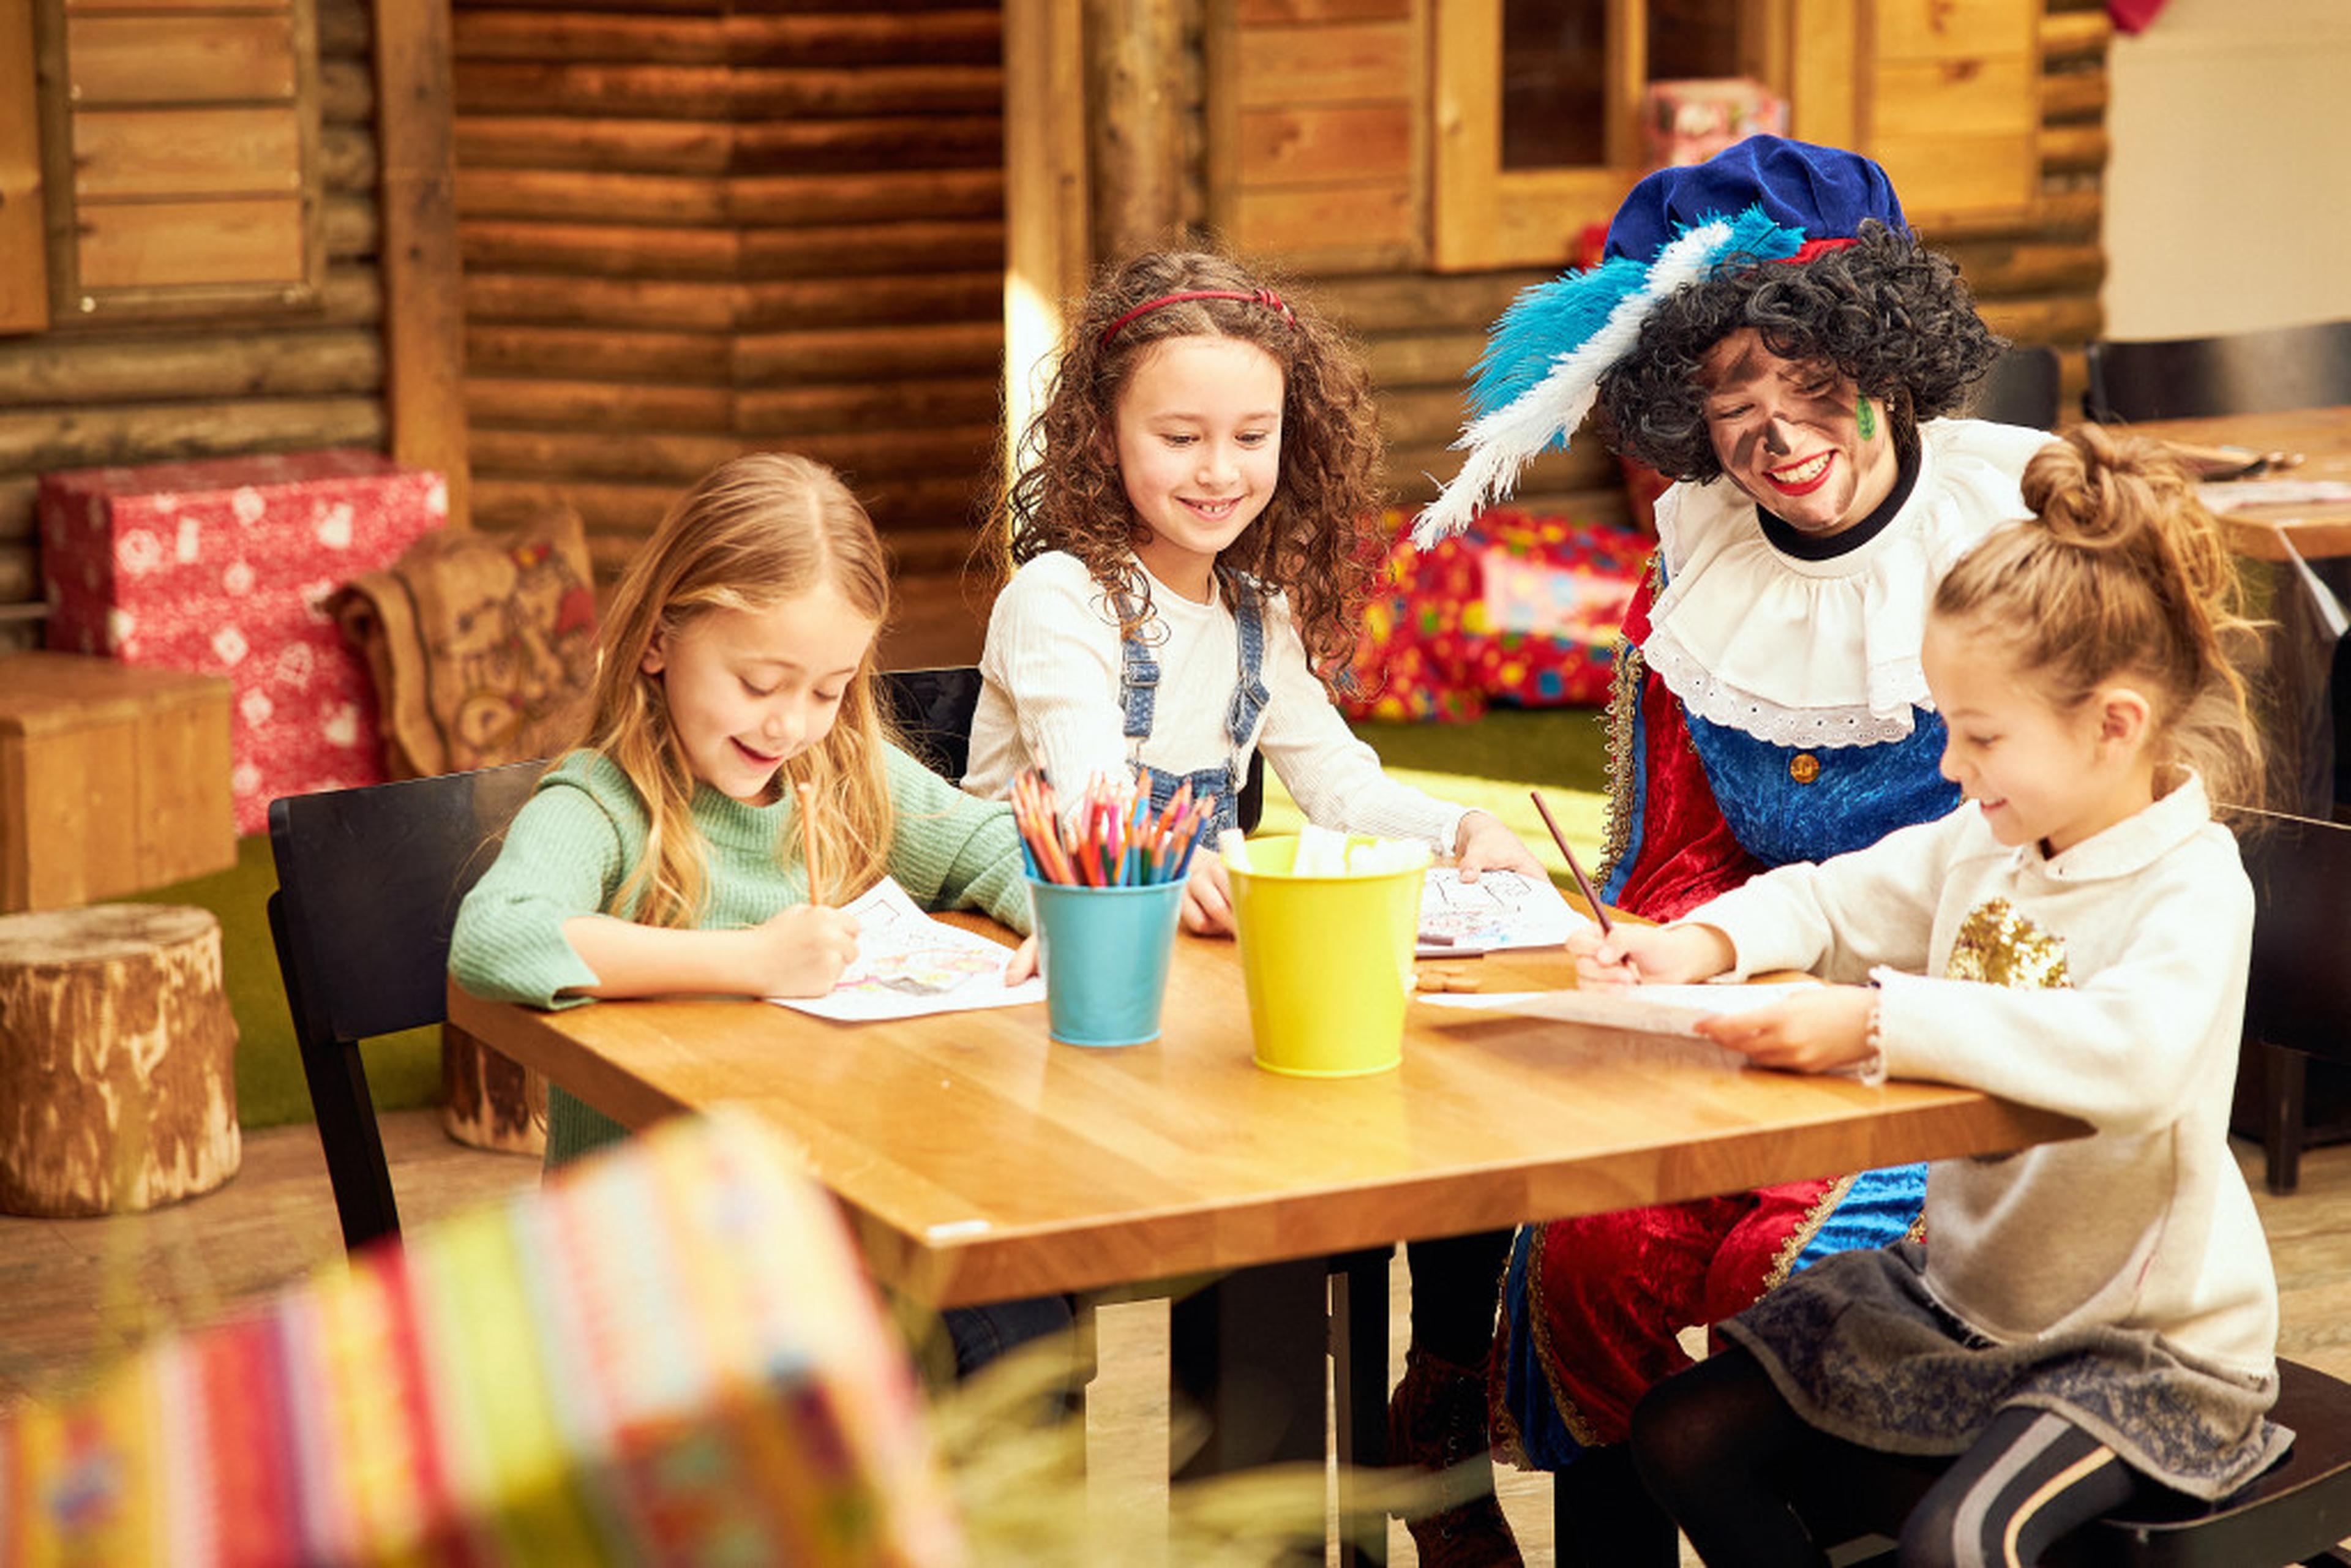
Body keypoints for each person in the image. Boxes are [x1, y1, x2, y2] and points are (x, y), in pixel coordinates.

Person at [1413, 135, 2055, 1565]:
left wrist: (1864, 1008)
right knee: (1590, 1245)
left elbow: (2061, 879)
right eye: (1731, 397)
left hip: (1980, 1034)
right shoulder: (1699, 559)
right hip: (1755, 1002)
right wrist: (1651, 950)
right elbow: (1682, 854)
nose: (1775, 430)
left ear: (1886, 357)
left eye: (1810, 379)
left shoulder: (2017, 528)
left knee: (1790, 1270)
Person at [1607, 425, 2284, 1566]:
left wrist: (1875, 1020)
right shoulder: (1986, 838)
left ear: (2115, 725)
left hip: (2144, 1349)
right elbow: (1830, 900)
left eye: (1980, 736)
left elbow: (2135, 1056)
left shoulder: (2190, 883)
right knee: (1682, 1434)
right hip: (1960, 1306)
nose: (1954, 769)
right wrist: (1706, 941)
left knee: (1960, 1543)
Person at [964, 247, 1548, 1564]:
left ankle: (1435, 1410)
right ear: (1100, 436)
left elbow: (1336, 780)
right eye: (1179, 436)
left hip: (1200, 989)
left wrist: (1457, 827)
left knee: (1447, 1104)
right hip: (1054, 1000)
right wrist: (1179, 862)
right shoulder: (1059, 601)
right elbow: (1090, 788)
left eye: (1251, 434)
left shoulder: (1252, 611)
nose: (1218, 469)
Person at [449, 451, 1071, 1383]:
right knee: (975, 1341)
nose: (789, 725)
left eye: (826, 690)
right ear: (661, 638)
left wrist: (1056, 915)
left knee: (1025, 1318)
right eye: (759, 683)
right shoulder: (605, 805)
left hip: (825, 1216)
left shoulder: (842, 777)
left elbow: (997, 843)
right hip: (652, 1267)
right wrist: (748, 961)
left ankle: (956, 1526)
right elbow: (496, 936)